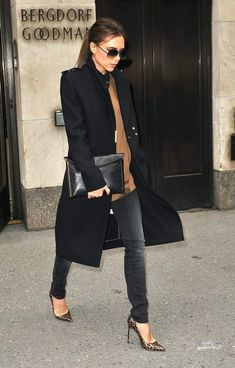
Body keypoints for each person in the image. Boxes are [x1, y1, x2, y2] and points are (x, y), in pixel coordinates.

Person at [49, 18, 184, 351]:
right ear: (94, 48)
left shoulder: (121, 81)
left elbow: (129, 129)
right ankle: (57, 290)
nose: (117, 58)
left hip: (125, 176)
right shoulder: (74, 81)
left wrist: (140, 166)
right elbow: (77, 135)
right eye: (111, 51)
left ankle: (140, 319)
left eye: (121, 53)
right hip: (92, 175)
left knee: (135, 246)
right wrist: (94, 180)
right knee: (72, 238)